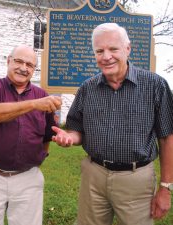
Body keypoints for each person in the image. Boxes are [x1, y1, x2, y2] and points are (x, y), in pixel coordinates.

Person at [52, 23, 173, 225]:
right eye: (99, 51)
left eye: (113, 49)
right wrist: (69, 137)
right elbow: (77, 130)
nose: (106, 56)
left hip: (137, 180)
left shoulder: (155, 85)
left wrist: (165, 187)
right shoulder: (87, 88)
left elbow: (167, 137)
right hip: (94, 177)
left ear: (128, 49)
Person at [0, 45, 62, 225]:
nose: (23, 68)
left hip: (28, 178)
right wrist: (34, 104)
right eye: (19, 61)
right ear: (8, 61)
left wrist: (41, 157)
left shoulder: (41, 95)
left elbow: (47, 136)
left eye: (29, 65)